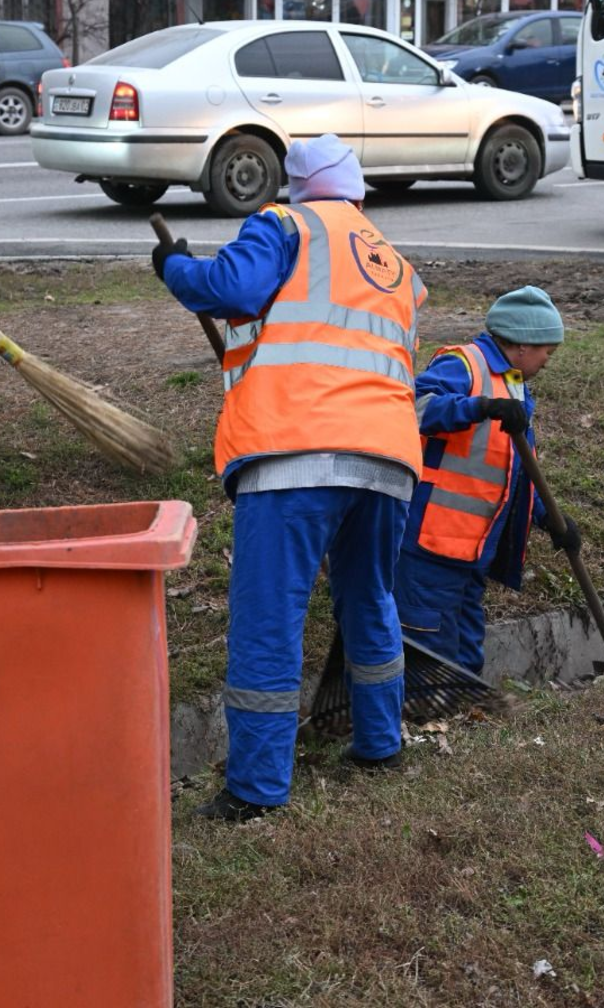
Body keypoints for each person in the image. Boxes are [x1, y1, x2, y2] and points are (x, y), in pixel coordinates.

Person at [153, 134, 426, 822]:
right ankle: (380, 744)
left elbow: (231, 288)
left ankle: (257, 787)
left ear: (298, 188)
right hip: (389, 458)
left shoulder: (284, 225)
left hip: (295, 454)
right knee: (370, 602)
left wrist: (176, 268)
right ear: (357, 191)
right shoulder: (396, 264)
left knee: (269, 619)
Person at [395, 286, 580, 677]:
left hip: (472, 550)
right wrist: (478, 407)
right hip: (431, 544)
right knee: (429, 651)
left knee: (465, 650)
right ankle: (422, 725)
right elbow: (410, 408)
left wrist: (549, 518)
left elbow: (512, 467)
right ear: (523, 344)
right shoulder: (465, 365)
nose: (548, 359)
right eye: (548, 349)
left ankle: (459, 724)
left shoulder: (513, 385)